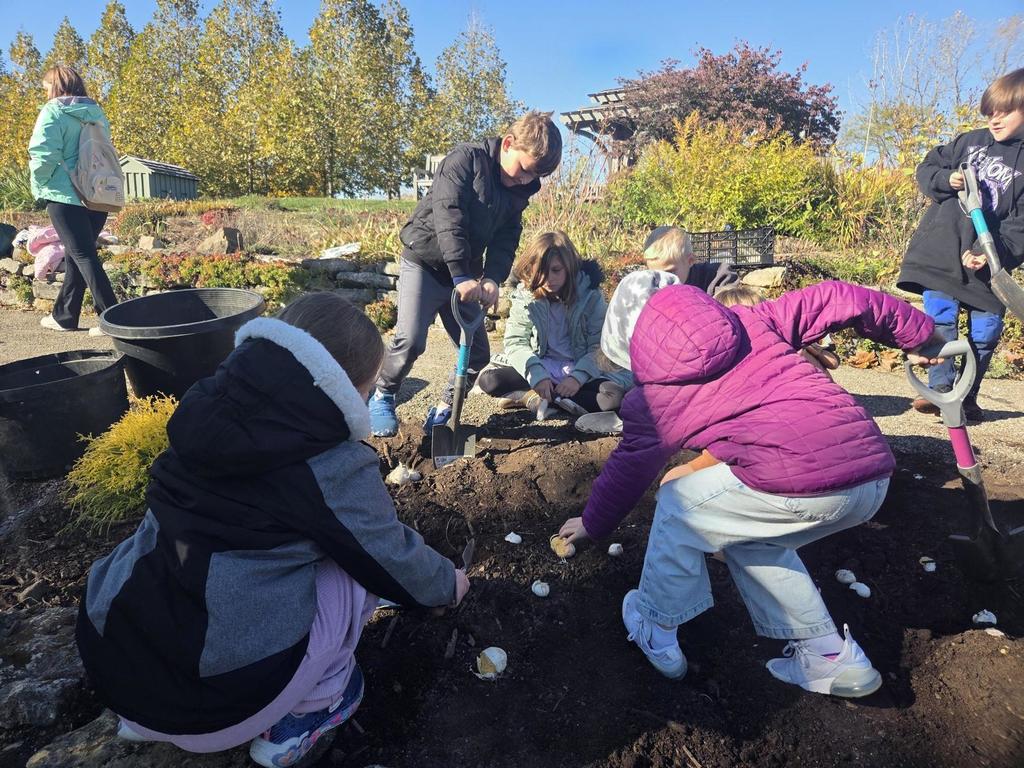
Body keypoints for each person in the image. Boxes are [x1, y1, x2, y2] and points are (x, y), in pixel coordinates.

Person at [76, 293, 470, 768]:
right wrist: (447, 583)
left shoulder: (203, 408)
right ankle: (312, 709)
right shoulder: (330, 462)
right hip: (216, 703)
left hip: (116, 661)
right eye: (366, 391)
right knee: (352, 568)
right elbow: (388, 555)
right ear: (344, 387)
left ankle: (145, 718)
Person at [555, 274, 943, 697]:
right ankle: (828, 657)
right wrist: (919, 333)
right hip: (870, 474)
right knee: (747, 535)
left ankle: (654, 622)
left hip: (804, 482)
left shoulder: (655, 399)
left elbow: (627, 471)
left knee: (677, 504)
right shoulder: (754, 319)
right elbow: (839, 296)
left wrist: (593, 523)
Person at [368, 111, 563, 437]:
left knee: (478, 353)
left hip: (466, 275)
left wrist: (491, 278)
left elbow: (506, 239)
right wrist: (461, 275)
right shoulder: (465, 160)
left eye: (534, 178)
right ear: (509, 143)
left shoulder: (518, 191)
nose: (525, 181)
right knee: (411, 340)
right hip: (425, 262)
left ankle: (444, 411)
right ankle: (383, 394)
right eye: (524, 171)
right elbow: (449, 217)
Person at [898, 67, 1024, 422]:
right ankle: (941, 391)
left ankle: (966, 396)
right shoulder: (968, 142)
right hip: (942, 252)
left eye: (1006, 112)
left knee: (985, 333)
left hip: (989, 267)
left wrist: (990, 252)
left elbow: (1022, 225)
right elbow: (927, 168)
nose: (995, 120)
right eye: (990, 112)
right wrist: (944, 179)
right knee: (942, 320)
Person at [476, 231, 632, 431]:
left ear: (569, 267)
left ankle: (536, 398)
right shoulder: (526, 296)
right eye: (541, 272)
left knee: (612, 398)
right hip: (543, 365)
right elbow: (516, 342)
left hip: (581, 368)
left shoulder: (591, 296)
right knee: (489, 380)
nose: (548, 279)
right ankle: (546, 397)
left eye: (556, 270)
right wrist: (536, 373)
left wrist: (577, 377)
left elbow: (599, 346)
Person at [28, 65, 118, 336]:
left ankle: (112, 320)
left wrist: (41, 185)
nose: (45, 94)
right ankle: (65, 316)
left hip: (65, 195)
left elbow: (43, 154)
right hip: (97, 194)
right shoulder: (96, 113)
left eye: (46, 88)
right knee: (77, 253)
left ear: (55, 86)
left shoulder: (53, 111)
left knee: (82, 254)